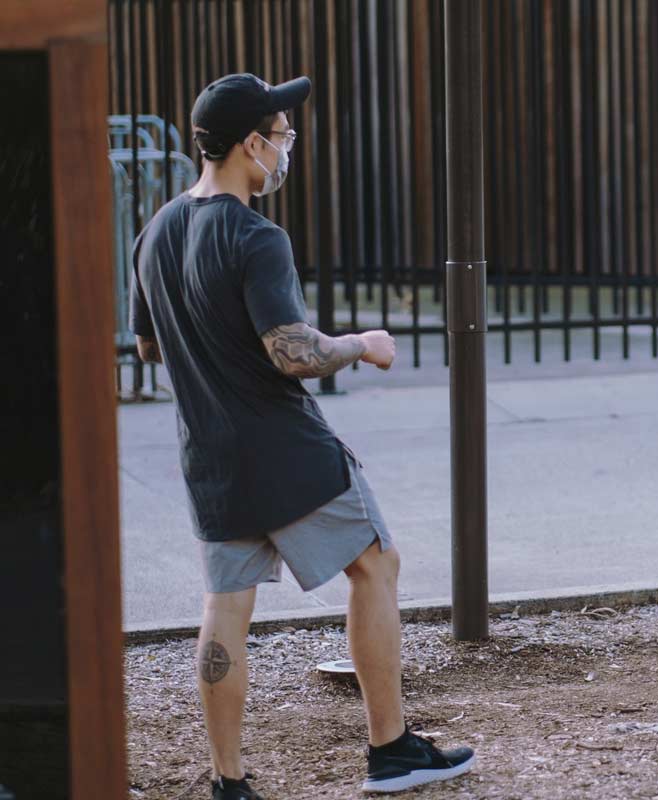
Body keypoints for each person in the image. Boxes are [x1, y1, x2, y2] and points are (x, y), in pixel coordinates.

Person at [129, 73, 476, 796]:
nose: (287, 149)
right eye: (282, 136)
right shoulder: (256, 236)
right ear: (251, 144)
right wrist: (363, 342)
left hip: (210, 458)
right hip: (287, 451)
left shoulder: (155, 231)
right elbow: (293, 353)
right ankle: (391, 751)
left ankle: (228, 782)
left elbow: (149, 348)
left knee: (226, 606)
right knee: (376, 564)